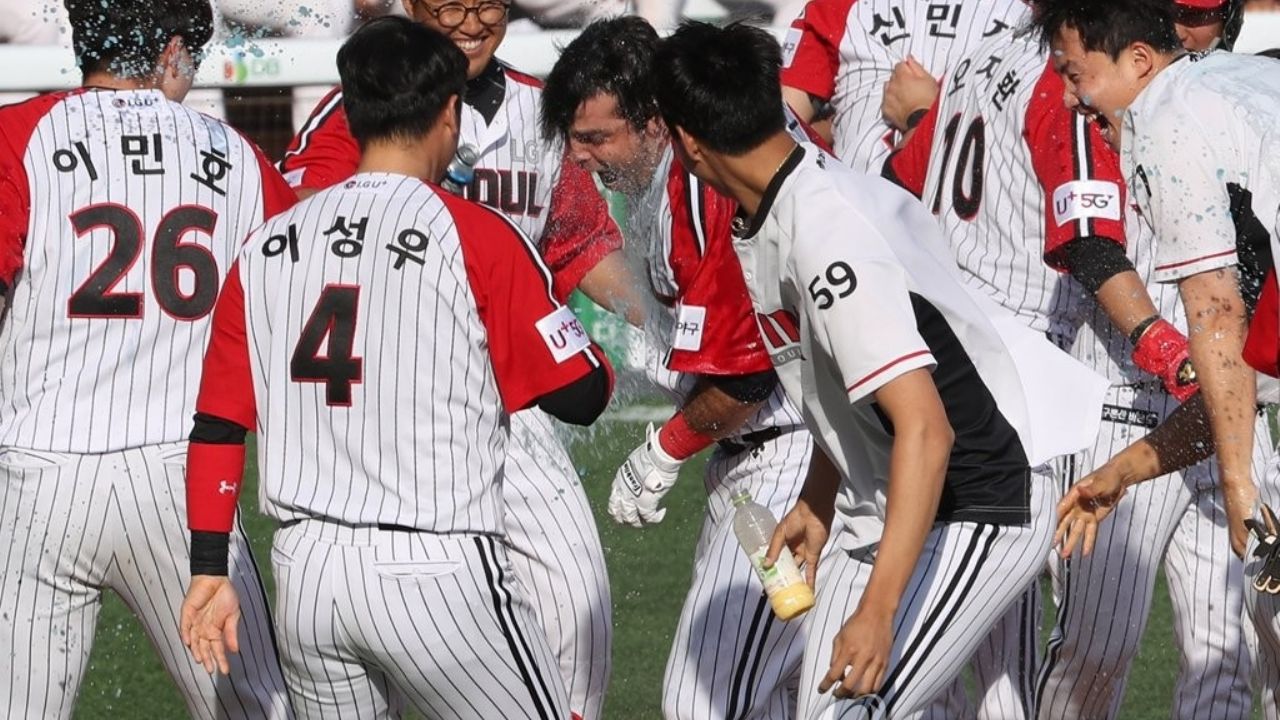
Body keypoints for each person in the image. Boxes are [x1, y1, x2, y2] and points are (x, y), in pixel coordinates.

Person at [652, 20, 1105, 719]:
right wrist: (817, 497)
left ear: (686, 140)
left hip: (975, 503)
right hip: (896, 499)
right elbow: (842, 380)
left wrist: (879, 610)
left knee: (847, 711)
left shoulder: (826, 235)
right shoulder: (796, 194)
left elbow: (927, 429)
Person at [179, 16, 614, 719]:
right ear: (449, 113)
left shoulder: (263, 249)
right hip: (437, 570)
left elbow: (218, 425)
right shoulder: (475, 233)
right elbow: (583, 394)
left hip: (308, 578)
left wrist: (207, 571)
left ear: (351, 115)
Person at [880, 2, 1268, 716]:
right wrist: (1170, 360)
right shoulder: (1093, 88)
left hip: (1218, 394)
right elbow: (1092, 244)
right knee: (1096, 651)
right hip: (1123, 392)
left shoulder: (1187, 91)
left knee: (1230, 653)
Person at [0, 1, 294, 717]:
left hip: (35, 475)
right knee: (261, 709)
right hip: (181, 481)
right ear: (166, 50)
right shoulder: (237, 154)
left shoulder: (16, 134)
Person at [543, 17, 818, 719]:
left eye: (596, 138)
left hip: (791, 459)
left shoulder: (704, 184)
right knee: (795, 693)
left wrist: (660, 451)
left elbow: (747, 377)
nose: (579, 160)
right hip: (776, 453)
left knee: (705, 702)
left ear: (657, 122)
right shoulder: (692, 159)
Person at [1035, 0, 1280, 714]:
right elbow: (1241, 376)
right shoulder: (1240, 84)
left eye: (1080, 74)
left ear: (1140, 61)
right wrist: (1129, 468)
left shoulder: (1164, 118)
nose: (1076, 98)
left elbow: (1213, 309)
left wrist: (1242, 495)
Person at [778, 0, 1027, 172]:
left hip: (862, 226)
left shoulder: (843, 7)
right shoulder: (1031, 17)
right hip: (978, 232)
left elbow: (774, 137)